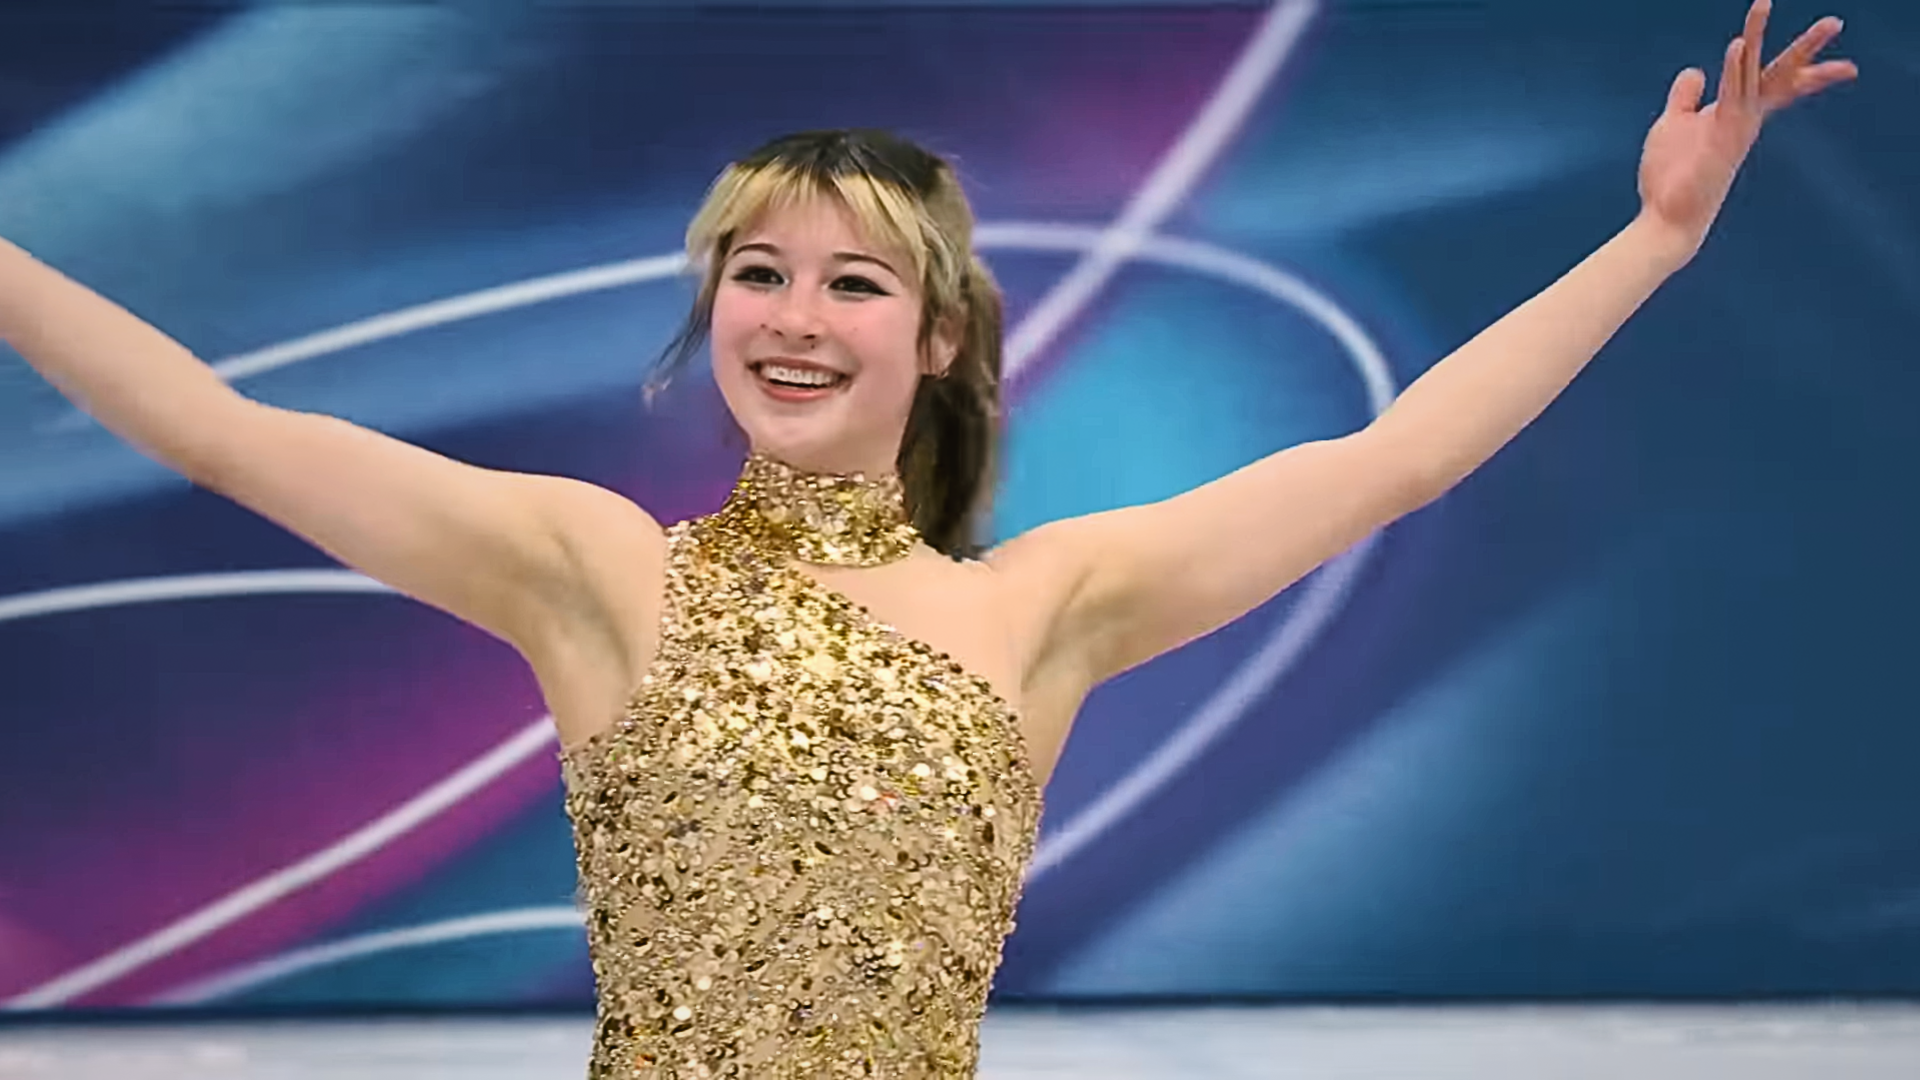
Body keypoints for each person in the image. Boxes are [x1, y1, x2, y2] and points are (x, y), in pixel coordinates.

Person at [0, 3, 1852, 1076]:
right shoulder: (590, 566)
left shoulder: (1054, 601)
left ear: (942, 335)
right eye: (759, 274)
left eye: (854, 281)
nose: (796, 316)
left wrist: (1652, 244)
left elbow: (1399, 457)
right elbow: (212, 426)